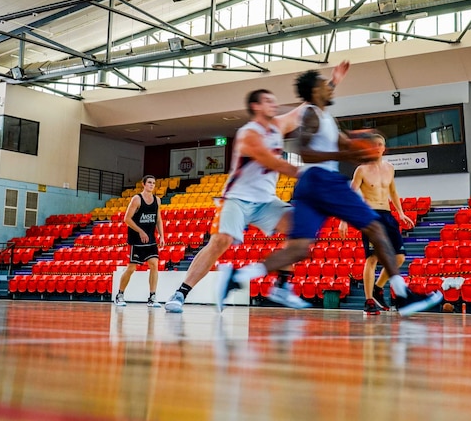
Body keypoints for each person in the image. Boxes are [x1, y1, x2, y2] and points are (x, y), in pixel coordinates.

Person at [219, 69, 443, 315]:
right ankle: (403, 295)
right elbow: (305, 151)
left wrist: (360, 145)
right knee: (375, 227)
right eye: (325, 85)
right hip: (322, 179)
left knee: (299, 249)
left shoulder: (325, 118)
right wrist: (345, 154)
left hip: (308, 185)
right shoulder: (311, 114)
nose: (330, 88)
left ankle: (241, 276)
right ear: (316, 91)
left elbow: (343, 142)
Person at [164, 62, 351, 313]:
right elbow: (272, 161)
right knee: (220, 241)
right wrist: (309, 173)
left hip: (266, 200)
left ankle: (282, 287)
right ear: (256, 106)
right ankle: (180, 293)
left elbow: (310, 104)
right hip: (237, 199)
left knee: (297, 230)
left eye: (274, 101)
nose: (273, 104)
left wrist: (334, 81)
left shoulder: (278, 125)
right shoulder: (248, 133)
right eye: (268, 101)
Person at [340, 133, 415, 315]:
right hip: (370, 216)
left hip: (388, 215)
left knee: (399, 257)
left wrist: (401, 213)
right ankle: (368, 301)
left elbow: (393, 191)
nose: (376, 148)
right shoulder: (361, 170)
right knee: (372, 258)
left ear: (383, 148)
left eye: (379, 144)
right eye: (373, 145)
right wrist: (343, 220)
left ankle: (378, 288)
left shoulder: (389, 168)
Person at [115, 175, 165, 307]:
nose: (151, 185)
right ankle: (120, 295)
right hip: (136, 240)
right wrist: (140, 231)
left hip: (151, 239)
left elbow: (158, 219)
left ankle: (152, 297)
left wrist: (162, 236)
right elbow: (127, 219)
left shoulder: (157, 200)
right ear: (143, 184)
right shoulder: (137, 199)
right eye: (149, 182)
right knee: (131, 268)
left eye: (153, 183)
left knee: (154, 264)